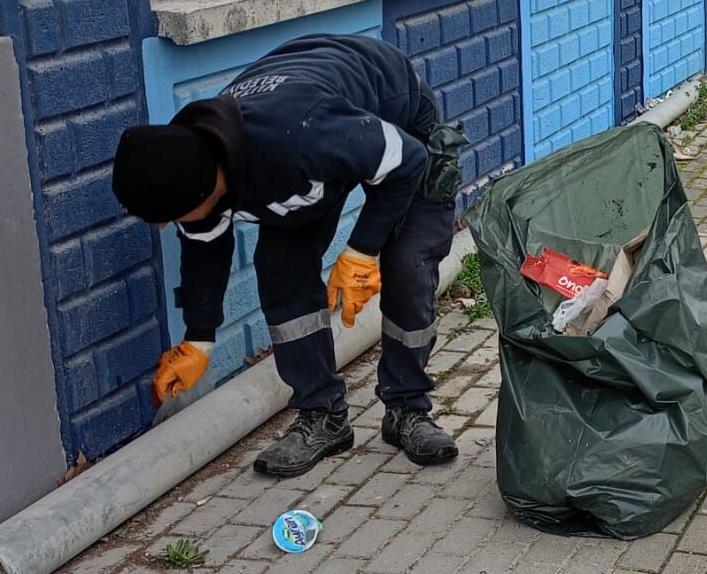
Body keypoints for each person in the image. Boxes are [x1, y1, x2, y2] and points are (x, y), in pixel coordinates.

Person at [111, 33, 466, 478]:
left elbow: (406, 159)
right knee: (282, 271)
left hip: (396, 114)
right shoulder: (193, 162)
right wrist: (198, 340)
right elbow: (204, 250)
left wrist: (361, 252)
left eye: (166, 216)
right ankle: (323, 416)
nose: (163, 226)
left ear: (206, 189)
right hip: (313, 133)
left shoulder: (298, 139)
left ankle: (408, 409)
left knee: (407, 268)